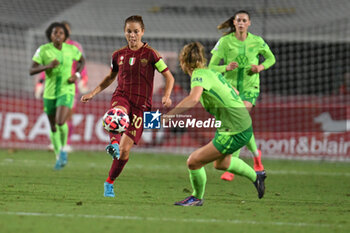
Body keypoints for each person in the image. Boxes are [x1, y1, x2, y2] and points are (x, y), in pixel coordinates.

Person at [81, 15, 175, 197]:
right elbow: (110, 77)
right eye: (129, 31)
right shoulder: (118, 55)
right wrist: (92, 93)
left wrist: (167, 95)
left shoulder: (152, 54)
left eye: (136, 31)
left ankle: (109, 182)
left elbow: (169, 77)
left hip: (142, 106)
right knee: (117, 114)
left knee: (124, 152)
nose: (132, 35)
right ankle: (113, 143)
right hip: (122, 96)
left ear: (143, 32)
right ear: (125, 32)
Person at [163, 42, 266, 206]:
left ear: (183, 62)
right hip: (238, 124)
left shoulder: (198, 75)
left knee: (194, 161)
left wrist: (168, 116)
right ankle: (257, 176)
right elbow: (236, 92)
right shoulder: (211, 73)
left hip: (234, 129)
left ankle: (196, 198)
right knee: (222, 163)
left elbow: (193, 99)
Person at [209, 10, 276, 181]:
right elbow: (211, 67)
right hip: (230, 89)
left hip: (250, 88)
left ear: (249, 23)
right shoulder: (225, 42)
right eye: (238, 20)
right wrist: (226, 68)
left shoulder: (257, 41)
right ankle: (256, 156)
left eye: (244, 20)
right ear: (234, 23)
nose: (241, 23)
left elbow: (271, 59)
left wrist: (259, 68)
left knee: (239, 118)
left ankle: (233, 164)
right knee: (239, 122)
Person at [29, 22, 86, 170]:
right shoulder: (43, 50)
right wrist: (47, 66)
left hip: (67, 90)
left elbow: (82, 61)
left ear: (65, 35)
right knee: (53, 126)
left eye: (61, 33)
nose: (58, 35)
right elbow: (32, 70)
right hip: (49, 92)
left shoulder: (72, 49)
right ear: (50, 35)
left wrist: (77, 75)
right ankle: (58, 155)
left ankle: (64, 147)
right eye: (55, 33)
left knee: (61, 122)